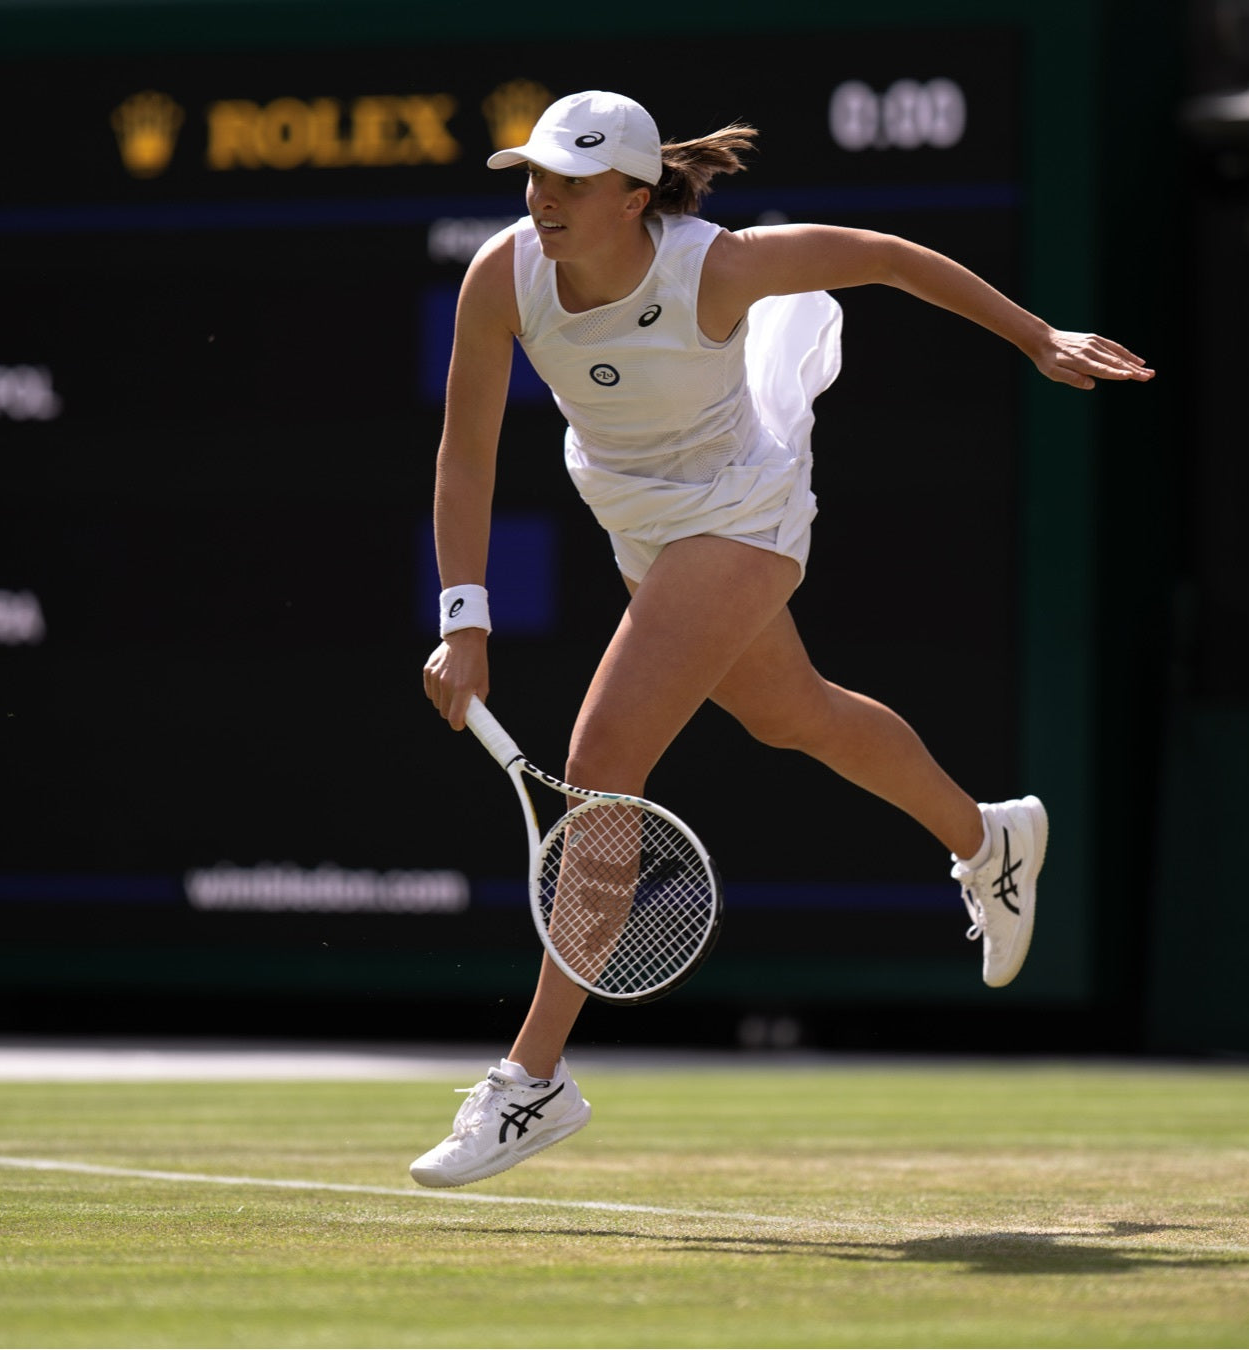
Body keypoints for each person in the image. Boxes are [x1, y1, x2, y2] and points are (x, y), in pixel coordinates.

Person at [411, 90, 1154, 1188]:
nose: (542, 199)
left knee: (603, 762)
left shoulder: (716, 266)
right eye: (533, 176)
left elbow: (885, 257)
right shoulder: (502, 275)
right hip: (635, 517)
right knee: (788, 712)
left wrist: (1038, 337)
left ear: (630, 195)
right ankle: (987, 838)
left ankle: (532, 1079)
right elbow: (465, 455)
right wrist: (462, 617)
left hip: (740, 506)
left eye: (568, 182)